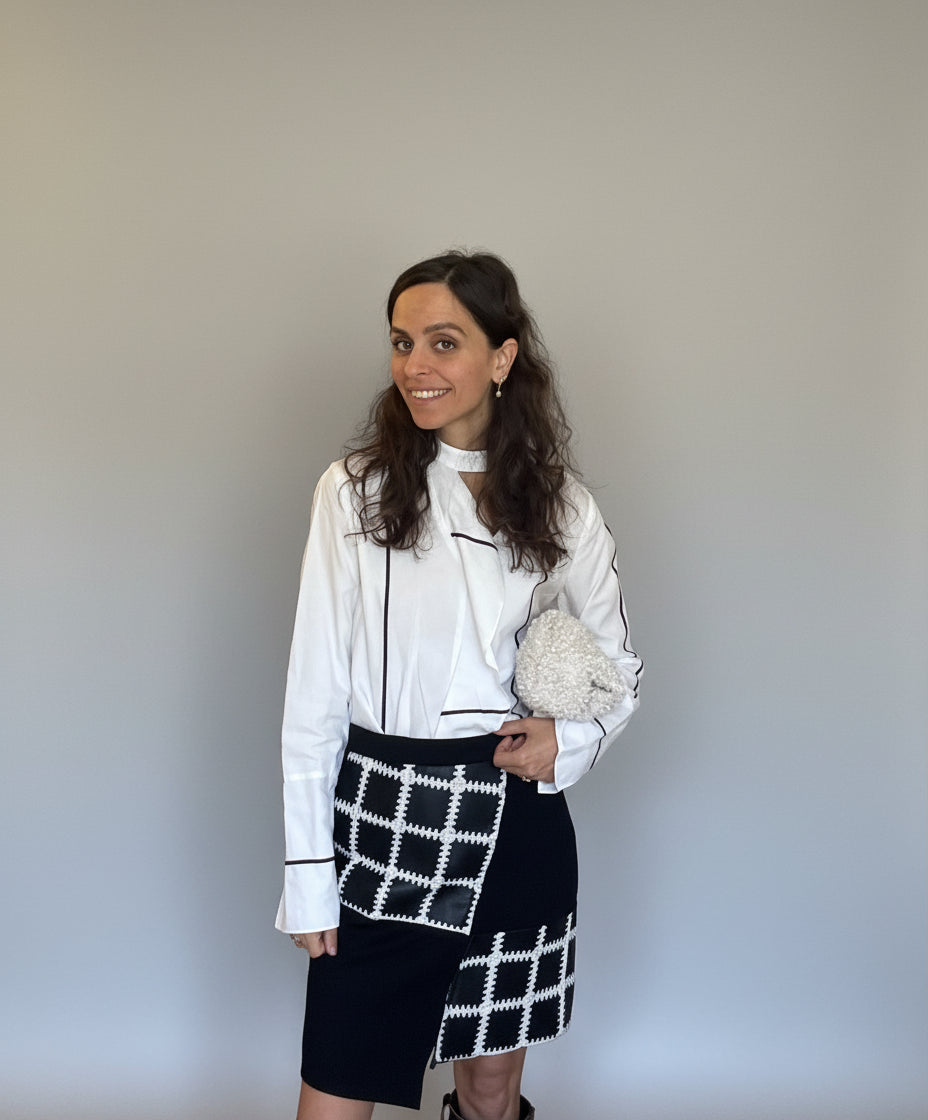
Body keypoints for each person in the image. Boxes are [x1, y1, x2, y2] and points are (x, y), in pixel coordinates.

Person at [276, 250, 642, 1120]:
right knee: (339, 1081)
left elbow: (619, 665)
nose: (416, 366)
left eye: (445, 342)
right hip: (382, 817)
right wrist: (306, 870)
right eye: (403, 343)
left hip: (514, 818)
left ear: (503, 358)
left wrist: (572, 739)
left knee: (490, 1086)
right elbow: (313, 693)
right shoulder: (354, 493)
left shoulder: (563, 507)